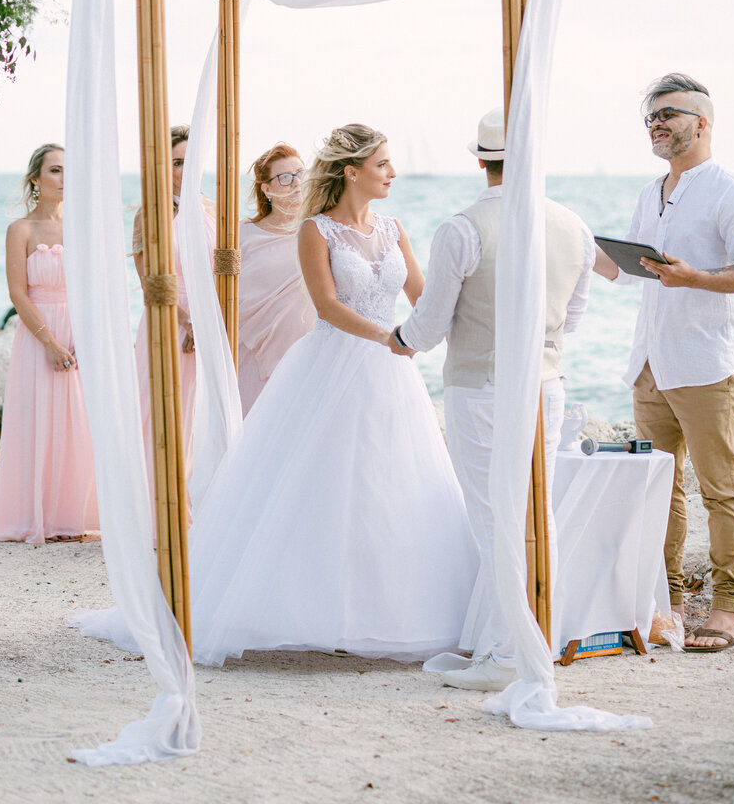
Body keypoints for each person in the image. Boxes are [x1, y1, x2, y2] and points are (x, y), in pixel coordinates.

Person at [181, 123, 477, 665]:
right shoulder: (315, 232)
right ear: (352, 171)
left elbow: (426, 295)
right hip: (334, 363)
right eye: (383, 164)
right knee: (324, 482)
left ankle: (384, 610)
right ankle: (307, 608)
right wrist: (391, 338)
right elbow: (327, 307)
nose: (392, 173)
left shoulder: (393, 229)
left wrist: (458, 326)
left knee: (389, 482)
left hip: (392, 372)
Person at [392, 108, 594, 690]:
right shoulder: (573, 225)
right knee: (537, 514)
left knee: (492, 516)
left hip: (480, 387)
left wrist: (398, 338)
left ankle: (508, 653)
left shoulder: (462, 227)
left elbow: (429, 325)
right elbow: (573, 317)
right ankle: (534, 639)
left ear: (480, 160)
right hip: (546, 385)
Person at [594, 73, 734, 652]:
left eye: (668, 114)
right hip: (650, 364)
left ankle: (727, 609)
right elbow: (626, 267)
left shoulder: (729, 191)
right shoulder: (648, 192)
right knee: (659, 489)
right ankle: (669, 602)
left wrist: (696, 279)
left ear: (702, 122)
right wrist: (571, 240)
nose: (656, 124)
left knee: (720, 490)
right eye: (651, 117)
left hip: (706, 364)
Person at [0, 145, 98, 544]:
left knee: (77, 424)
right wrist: (50, 343)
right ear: (36, 178)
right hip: (37, 336)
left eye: (70, 170)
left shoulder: (81, 227)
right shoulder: (21, 230)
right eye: (55, 170)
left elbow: (91, 289)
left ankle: (70, 516)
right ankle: (32, 515)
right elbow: (18, 294)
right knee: (37, 421)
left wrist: (85, 339)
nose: (65, 178)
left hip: (77, 334)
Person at [132, 125, 216, 509]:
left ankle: (198, 506)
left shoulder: (215, 209)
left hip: (210, 324)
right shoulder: (150, 213)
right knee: (162, 413)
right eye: (177, 162)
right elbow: (150, 280)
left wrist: (209, 323)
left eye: (190, 160)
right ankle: (156, 508)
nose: (186, 168)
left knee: (202, 417)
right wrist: (185, 320)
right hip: (167, 319)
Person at [238, 142, 315, 415]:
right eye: (284, 178)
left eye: (300, 175)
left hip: (308, 352)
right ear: (266, 188)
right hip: (252, 353)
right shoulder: (241, 236)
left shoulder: (319, 231)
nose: (295, 184)